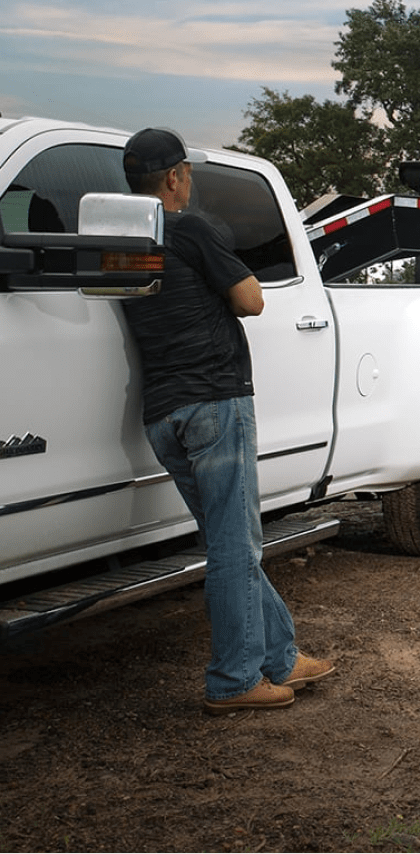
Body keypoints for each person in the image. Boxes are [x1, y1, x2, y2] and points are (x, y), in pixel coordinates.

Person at [120, 127, 334, 714]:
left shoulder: (118, 240)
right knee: (237, 547)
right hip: (214, 402)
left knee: (229, 542)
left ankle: (281, 656)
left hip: (163, 412)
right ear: (174, 177)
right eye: (186, 171)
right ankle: (235, 680)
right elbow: (251, 300)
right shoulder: (191, 228)